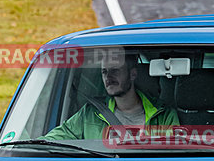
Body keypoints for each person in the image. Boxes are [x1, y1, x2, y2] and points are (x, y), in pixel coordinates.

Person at [45, 49, 179, 141]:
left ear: (133, 74)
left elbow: (174, 157)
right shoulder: (90, 113)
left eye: (115, 70)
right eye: (104, 72)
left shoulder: (164, 115)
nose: (108, 77)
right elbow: (52, 140)